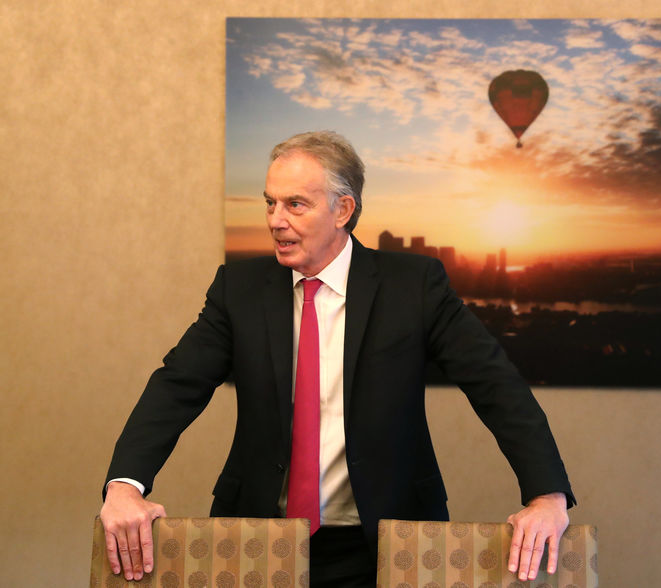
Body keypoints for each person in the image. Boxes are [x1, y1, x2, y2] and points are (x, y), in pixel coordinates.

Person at [101, 130, 575, 587]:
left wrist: (546, 495)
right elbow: (177, 384)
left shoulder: (415, 285)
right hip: (256, 540)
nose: (274, 220)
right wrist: (126, 485)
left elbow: (496, 385)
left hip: (387, 544)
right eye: (270, 202)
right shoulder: (238, 289)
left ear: (343, 209)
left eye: (295, 205)